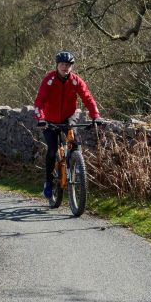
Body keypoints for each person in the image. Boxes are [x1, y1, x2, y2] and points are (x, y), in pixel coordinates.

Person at [34, 50, 101, 199]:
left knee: (74, 141)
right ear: (57, 65)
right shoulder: (49, 80)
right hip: (49, 120)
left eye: (68, 65)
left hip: (68, 117)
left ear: (71, 66)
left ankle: (77, 166)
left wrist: (95, 116)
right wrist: (41, 118)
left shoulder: (76, 80)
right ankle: (49, 182)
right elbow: (39, 101)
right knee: (52, 150)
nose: (65, 67)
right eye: (62, 64)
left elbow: (87, 97)